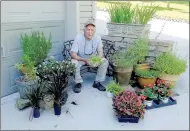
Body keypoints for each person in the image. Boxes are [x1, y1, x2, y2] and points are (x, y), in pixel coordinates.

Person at [70, 19, 109, 93]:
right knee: (73, 63)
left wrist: (97, 60)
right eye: (88, 30)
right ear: (84, 30)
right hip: (81, 59)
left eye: (92, 30)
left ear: (94, 31)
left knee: (104, 61)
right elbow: (73, 54)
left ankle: (97, 82)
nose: (90, 32)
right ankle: (78, 83)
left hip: (93, 59)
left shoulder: (97, 37)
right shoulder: (78, 38)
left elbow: (100, 52)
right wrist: (85, 60)